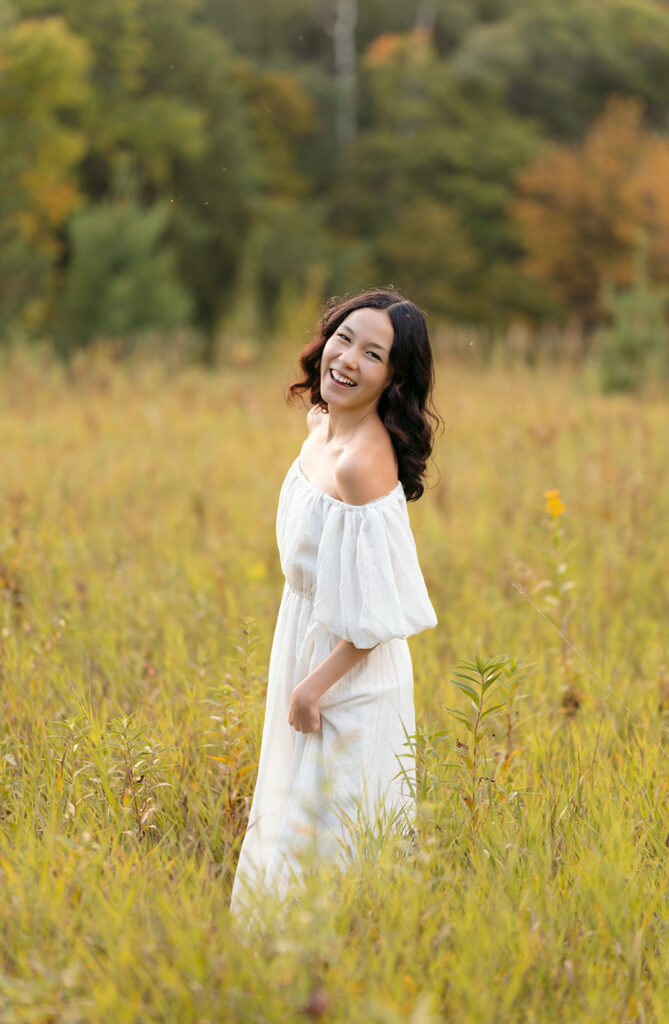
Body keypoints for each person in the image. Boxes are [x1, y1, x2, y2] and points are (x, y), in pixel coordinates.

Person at [230, 288, 439, 915]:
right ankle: (272, 973)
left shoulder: (361, 466)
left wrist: (310, 688)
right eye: (343, 339)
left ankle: (336, 973)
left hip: (348, 674)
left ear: (393, 377)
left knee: (332, 837)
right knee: (290, 819)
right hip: (303, 640)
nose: (346, 360)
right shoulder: (320, 427)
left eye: (371, 354)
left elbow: (378, 614)